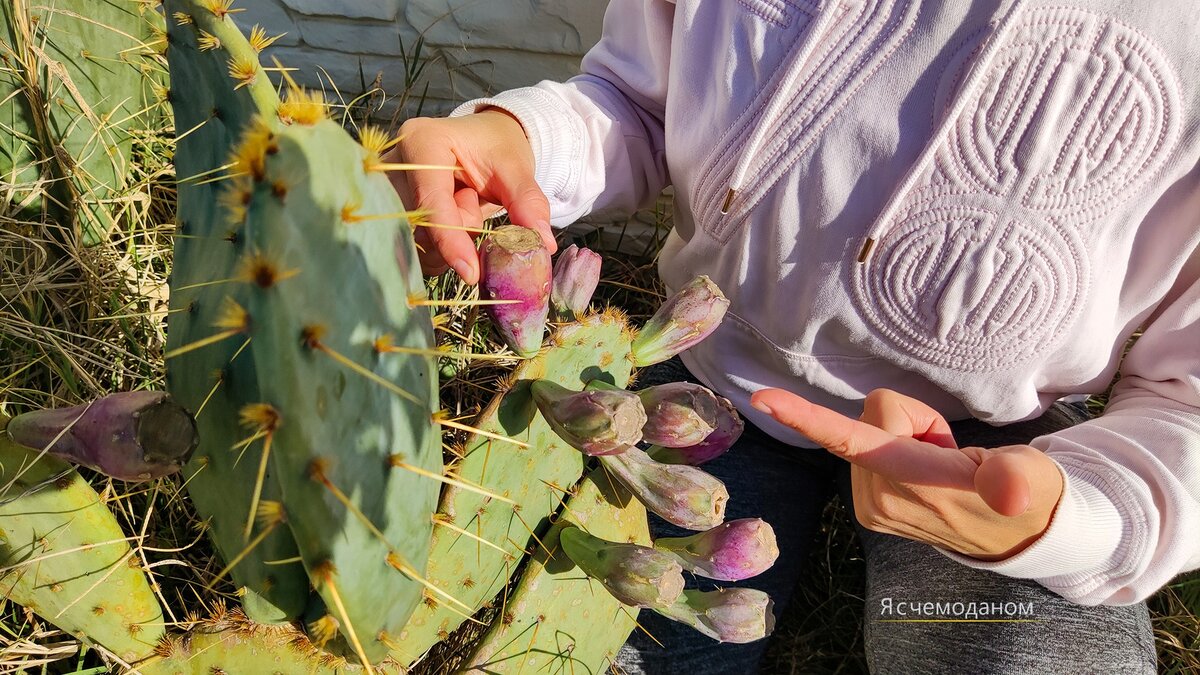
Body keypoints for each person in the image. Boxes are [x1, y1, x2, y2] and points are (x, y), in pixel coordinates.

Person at [388, 1, 1200, 672]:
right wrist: (522, 140)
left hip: (992, 458)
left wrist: (1075, 522)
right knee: (608, 641)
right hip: (716, 383)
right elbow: (637, 103)